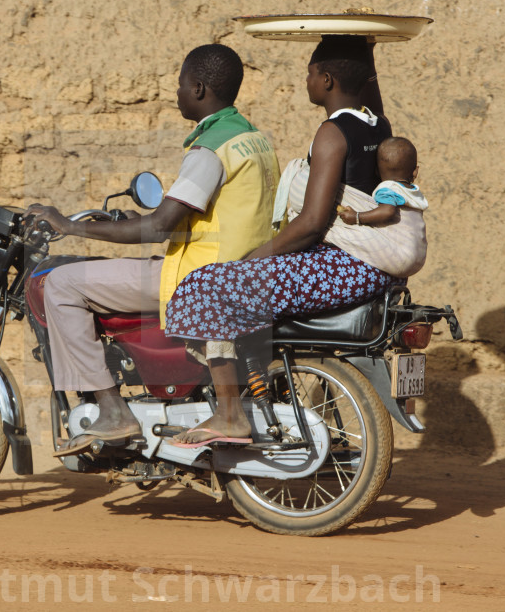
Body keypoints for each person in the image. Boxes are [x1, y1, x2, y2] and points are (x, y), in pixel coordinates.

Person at [26, 43, 280, 458]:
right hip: (238, 269)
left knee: (63, 284)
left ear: (198, 89)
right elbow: (211, 214)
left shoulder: (210, 149)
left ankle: (111, 410)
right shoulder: (253, 139)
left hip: (197, 276)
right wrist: (126, 221)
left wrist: (69, 226)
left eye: (179, 85)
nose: (176, 93)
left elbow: (160, 226)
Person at [165, 35, 399, 447]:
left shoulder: (331, 134)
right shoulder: (378, 124)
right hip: (369, 266)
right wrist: (367, 47)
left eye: (310, 72)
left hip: (341, 265)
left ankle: (229, 414)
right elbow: (367, 90)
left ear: (325, 80)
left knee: (208, 286)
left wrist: (255, 257)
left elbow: (311, 223)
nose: (306, 79)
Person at [331, 135, 428, 278]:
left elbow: (387, 211)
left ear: (376, 171)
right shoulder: (413, 192)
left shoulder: (387, 189)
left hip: (401, 256)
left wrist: (357, 217)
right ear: (415, 171)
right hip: (419, 257)